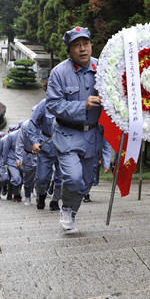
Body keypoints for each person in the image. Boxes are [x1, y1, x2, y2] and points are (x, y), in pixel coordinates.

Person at [46, 26, 104, 232]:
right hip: (67, 135)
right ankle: (67, 209)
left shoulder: (104, 68)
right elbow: (52, 105)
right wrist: (82, 105)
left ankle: (71, 210)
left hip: (92, 135)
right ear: (69, 50)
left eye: (85, 44)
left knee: (86, 182)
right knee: (73, 177)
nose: (82, 49)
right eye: (77, 45)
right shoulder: (59, 73)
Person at [30, 97, 62, 210]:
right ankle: (42, 194)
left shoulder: (69, 102)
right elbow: (33, 122)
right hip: (46, 146)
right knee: (42, 178)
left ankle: (55, 200)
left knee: (61, 178)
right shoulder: (44, 103)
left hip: (64, 146)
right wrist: (34, 141)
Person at [15, 119, 37, 206]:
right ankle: (27, 196)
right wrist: (19, 158)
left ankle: (40, 196)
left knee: (42, 177)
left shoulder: (46, 124)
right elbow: (19, 142)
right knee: (27, 179)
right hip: (28, 155)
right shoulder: (25, 125)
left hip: (41, 155)